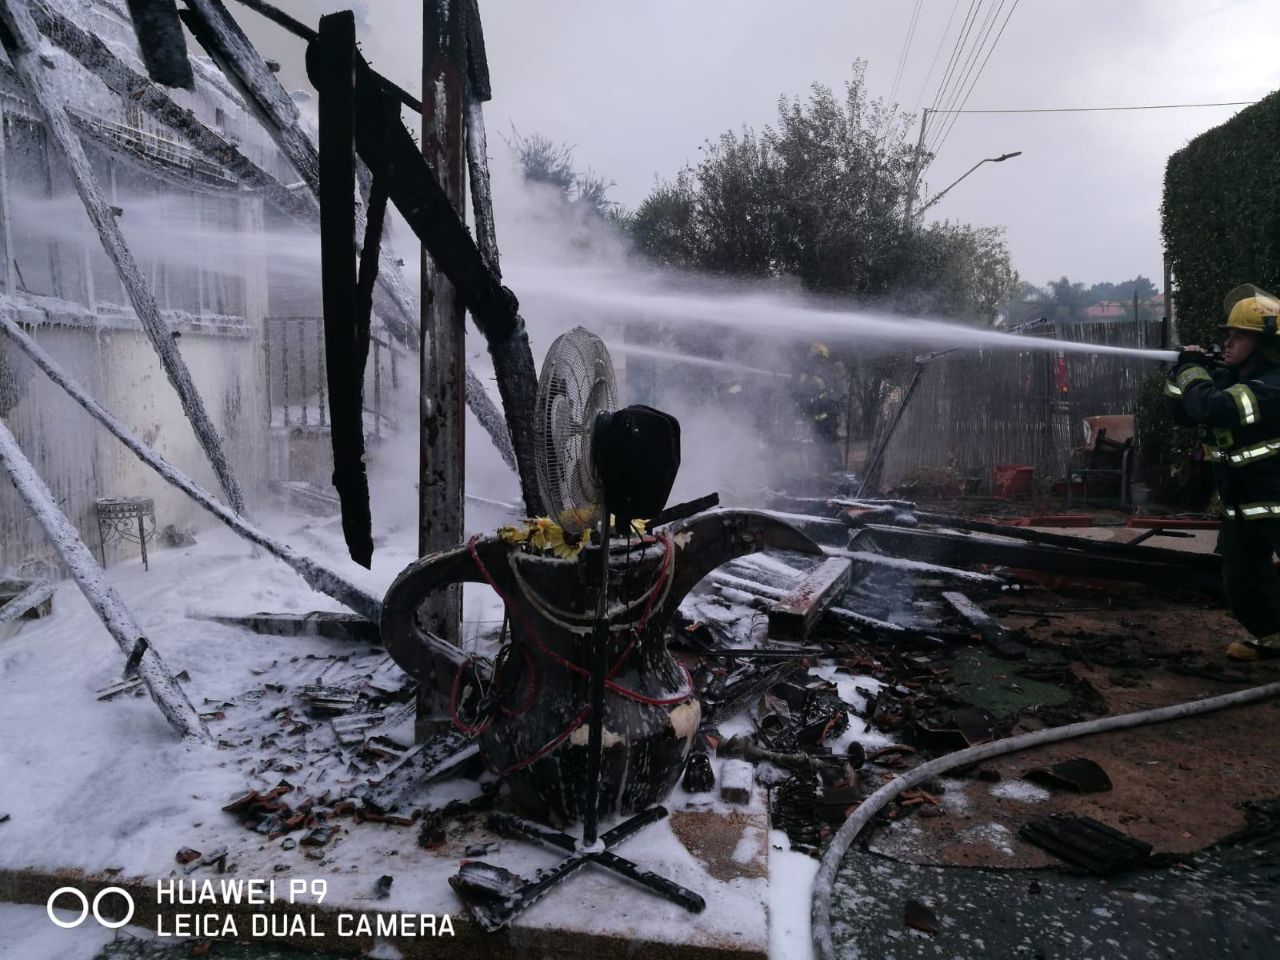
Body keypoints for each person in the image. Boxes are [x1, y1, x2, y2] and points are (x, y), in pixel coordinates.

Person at [1166, 284, 1280, 660]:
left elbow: (1215, 409)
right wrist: (1179, 372)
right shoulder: (1233, 380)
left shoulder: (1271, 388)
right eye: (1227, 335)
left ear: (1264, 343)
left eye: (1238, 335)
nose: (1227, 343)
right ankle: (1272, 637)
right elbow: (1186, 411)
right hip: (1243, 507)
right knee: (1243, 583)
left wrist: (1193, 371)